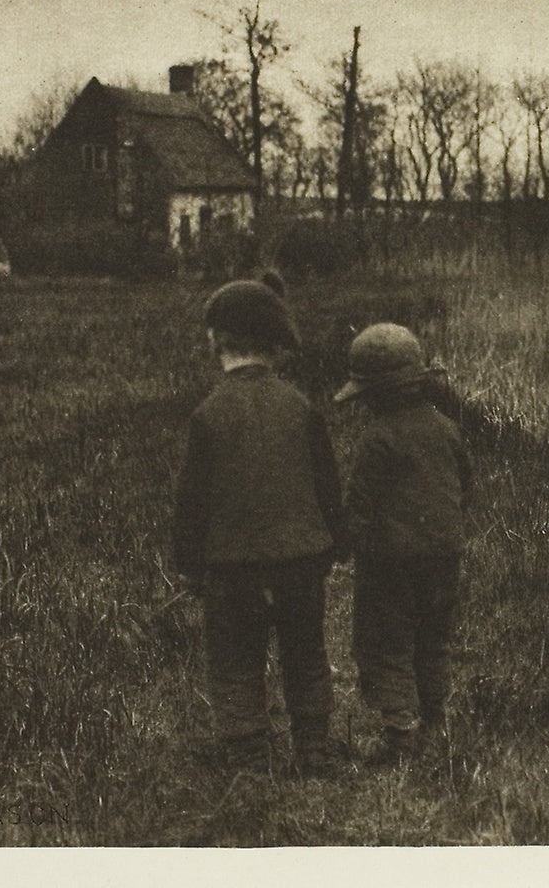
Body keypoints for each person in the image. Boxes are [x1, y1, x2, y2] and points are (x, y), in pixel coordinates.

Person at [173, 279, 346, 777]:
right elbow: (326, 483)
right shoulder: (299, 407)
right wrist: (334, 544)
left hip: (233, 567)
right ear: (276, 346)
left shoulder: (207, 414)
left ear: (216, 341)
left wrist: (190, 566)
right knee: (306, 651)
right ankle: (313, 748)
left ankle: (248, 756)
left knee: (233, 659)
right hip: (299, 561)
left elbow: (192, 502)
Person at [334, 323, 472, 763]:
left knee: (385, 642)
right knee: (434, 638)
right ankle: (435, 719)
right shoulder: (447, 428)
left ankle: (401, 733)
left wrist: (344, 546)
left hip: (388, 564)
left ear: (372, 394)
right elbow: (465, 487)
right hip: (444, 556)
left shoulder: (376, 439)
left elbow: (358, 505)